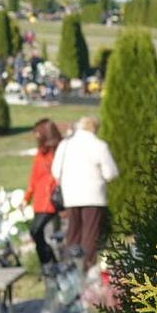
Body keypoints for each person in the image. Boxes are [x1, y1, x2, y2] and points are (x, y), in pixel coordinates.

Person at [51, 115, 118, 272]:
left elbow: (55, 171)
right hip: (93, 195)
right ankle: (87, 268)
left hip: (71, 194)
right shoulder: (99, 145)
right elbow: (110, 172)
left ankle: (70, 267)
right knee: (90, 233)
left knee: (73, 231)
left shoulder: (66, 145)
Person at [23, 118, 63, 272]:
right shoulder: (41, 153)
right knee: (37, 233)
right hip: (40, 200)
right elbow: (34, 177)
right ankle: (48, 264)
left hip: (51, 200)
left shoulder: (58, 151)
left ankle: (48, 264)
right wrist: (27, 196)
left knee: (36, 230)